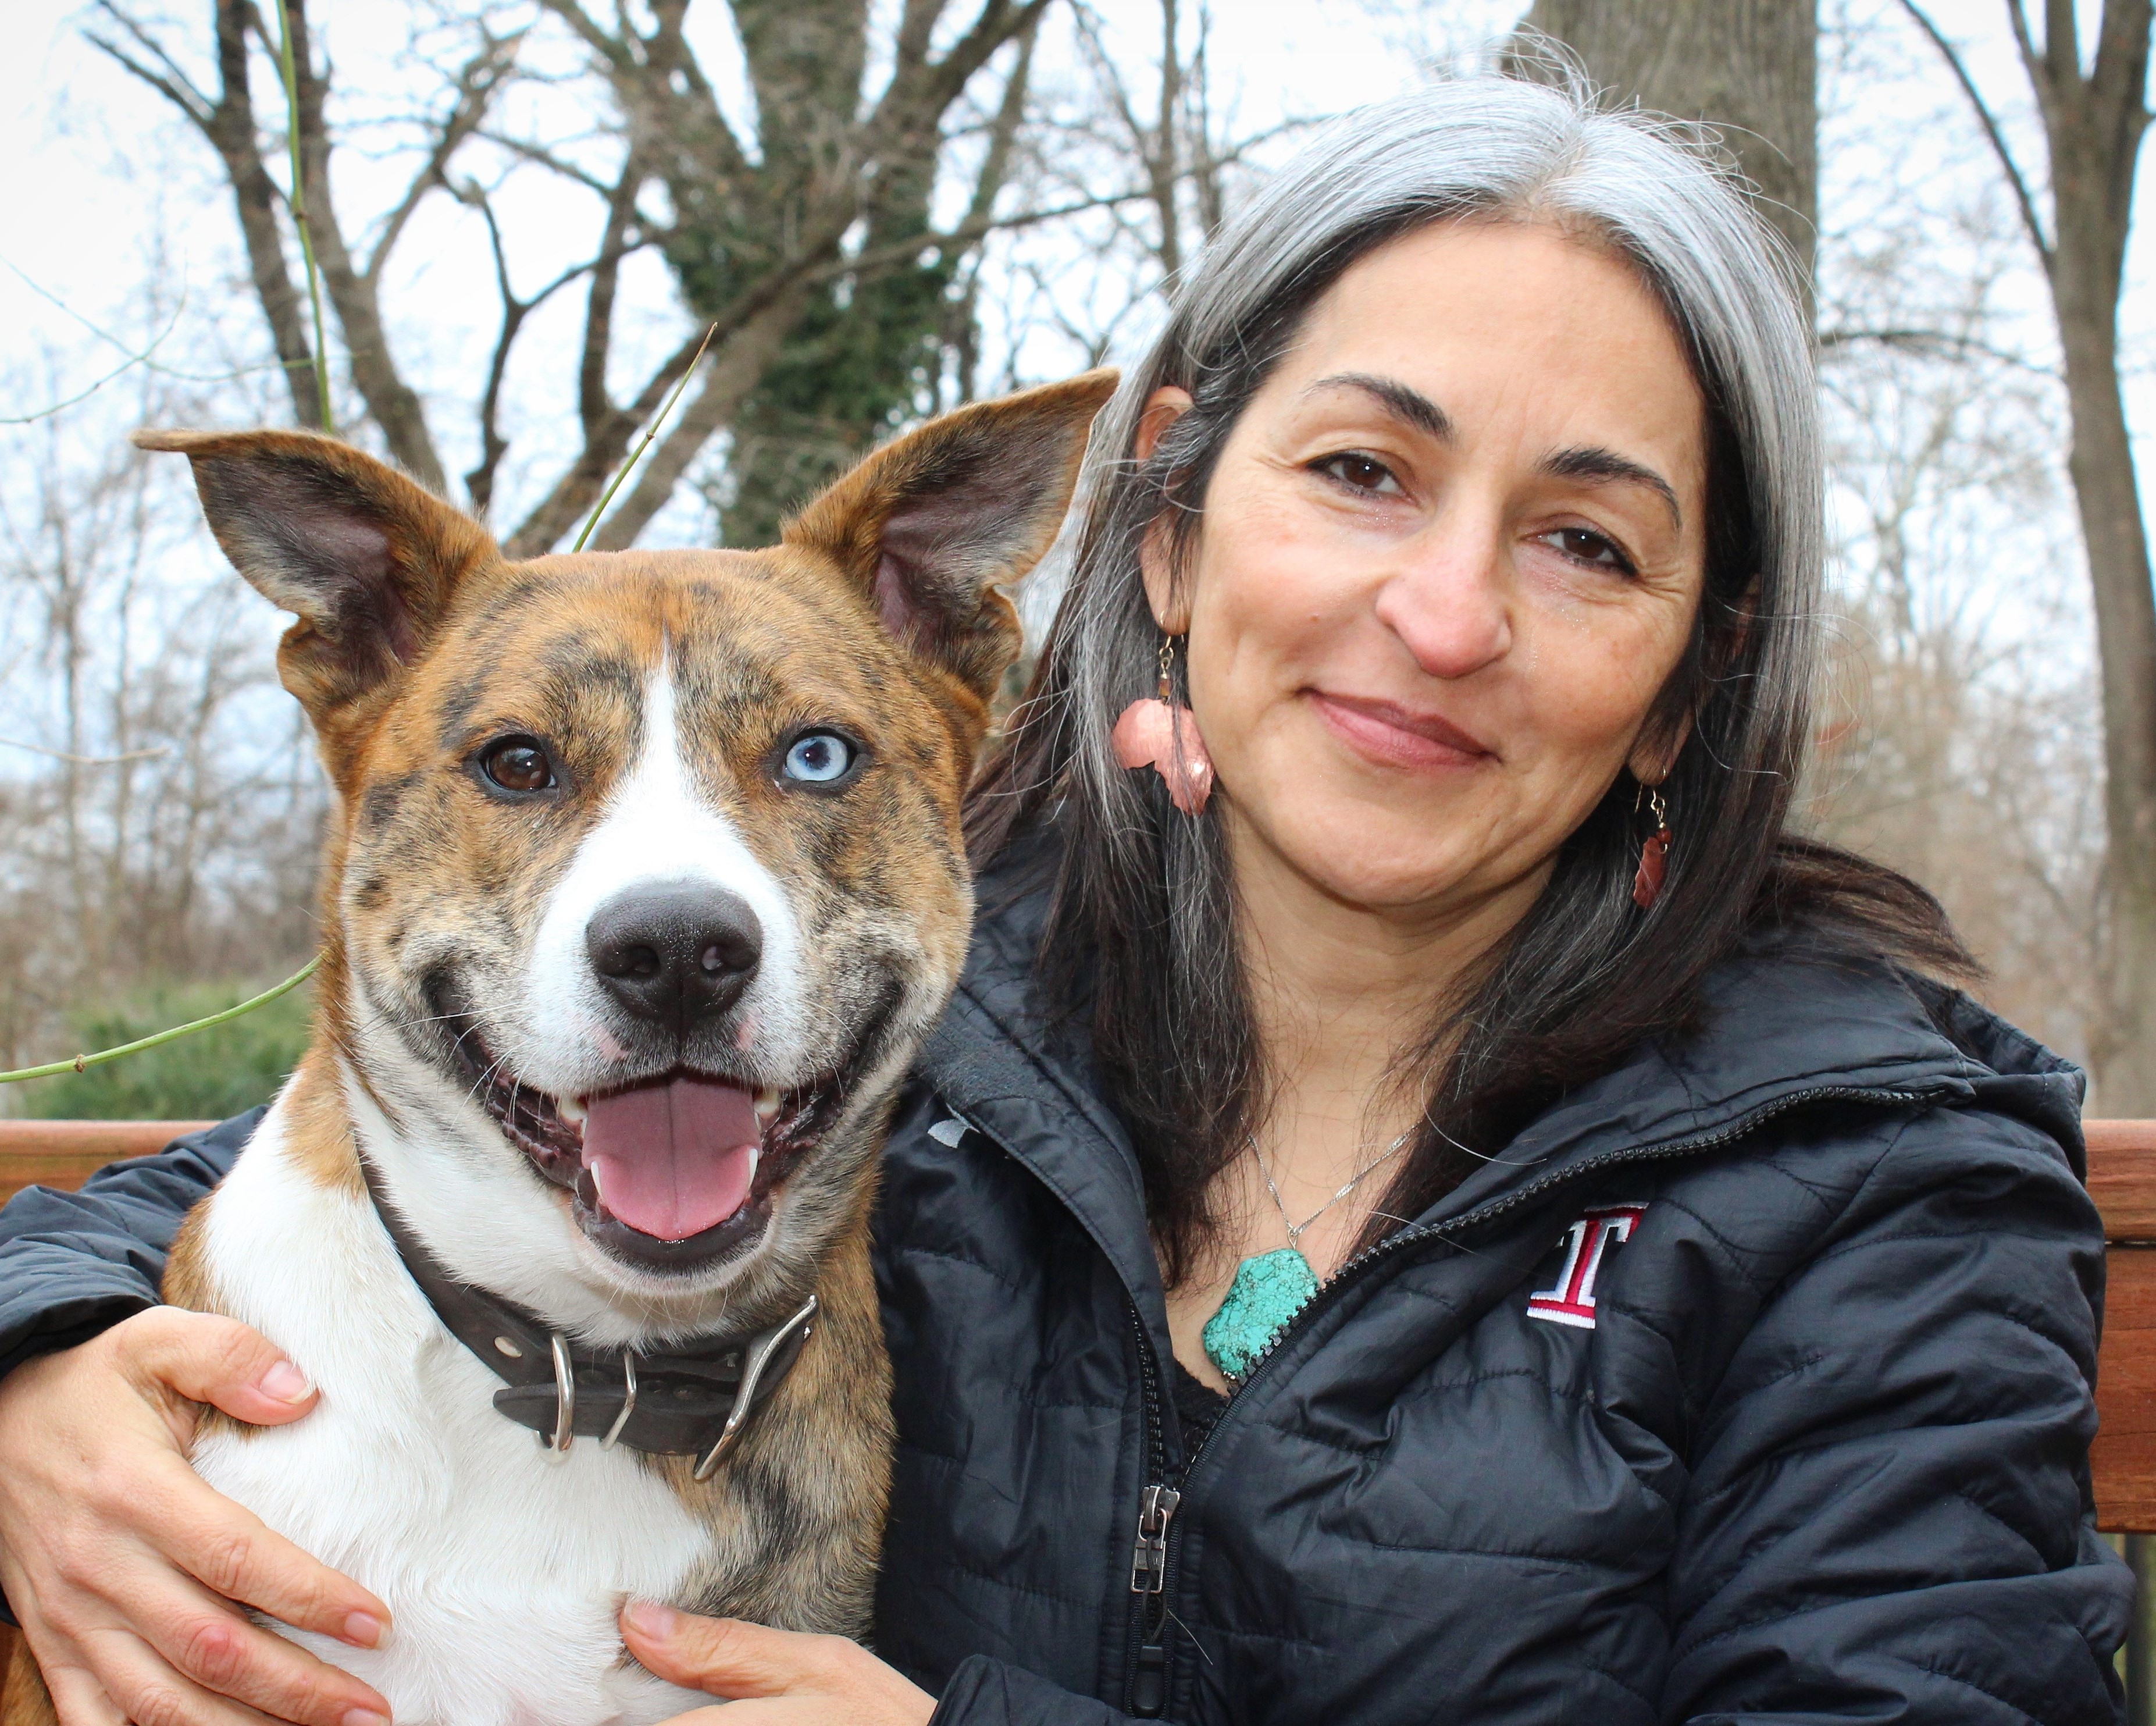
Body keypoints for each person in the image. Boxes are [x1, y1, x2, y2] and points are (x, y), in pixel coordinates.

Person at [0, 71, 2130, 1726]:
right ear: (1172, 542)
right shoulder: (932, 999)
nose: (1445, 610)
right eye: (1362, 472)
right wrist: (43, 1363)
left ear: (1688, 681)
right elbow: (339, 1143)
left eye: (1587, 541)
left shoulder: (1870, 1187)